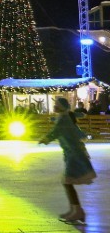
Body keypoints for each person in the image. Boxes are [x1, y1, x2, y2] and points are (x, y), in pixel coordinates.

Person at [38, 96, 97, 224]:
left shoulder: (63, 119)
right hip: (72, 153)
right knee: (67, 182)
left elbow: (55, 131)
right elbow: (65, 123)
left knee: (67, 181)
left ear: (61, 107)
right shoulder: (63, 117)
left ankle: (77, 211)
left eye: (56, 104)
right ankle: (75, 210)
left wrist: (45, 139)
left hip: (74, 155)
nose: (54, 106)